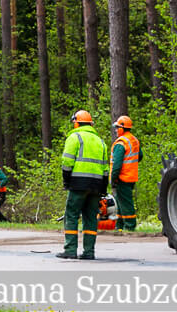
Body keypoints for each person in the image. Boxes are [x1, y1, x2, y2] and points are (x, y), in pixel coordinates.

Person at [57, 109, 110, 260]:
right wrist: (103, 188)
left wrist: (66, 181)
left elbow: (67, 162)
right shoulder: (100, 142)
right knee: (91, 217)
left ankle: (70, 250)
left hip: (78, 183)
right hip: (97, 184)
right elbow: (105, 169)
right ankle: (89, 252)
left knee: (71, 215)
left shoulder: (75, 137)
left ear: (76, 123)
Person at [110, 115, 141, 232]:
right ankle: (119, 226)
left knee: (126, 204)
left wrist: (113, 178)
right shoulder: (134, 140)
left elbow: (117, 165)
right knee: (120, 202)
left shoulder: (121, 143)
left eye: (117, 128)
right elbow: (140, 156)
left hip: (122, 178)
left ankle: (130, 226)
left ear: (122, 128)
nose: (116, 130)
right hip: (131, 177)